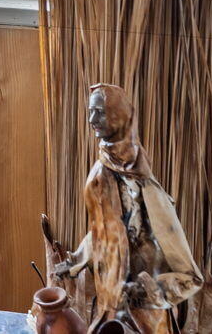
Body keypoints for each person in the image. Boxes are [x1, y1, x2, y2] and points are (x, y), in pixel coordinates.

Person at [46, 84, 203, 334]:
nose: (91, 120)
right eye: (91, 111)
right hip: (110, 296)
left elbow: (186, 269)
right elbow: (105, 229)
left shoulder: (139, 181)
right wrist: (76, 260)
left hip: (142, 305)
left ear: (119, 114)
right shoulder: (105, 167)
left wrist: (150, 290)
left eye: (100, 112)